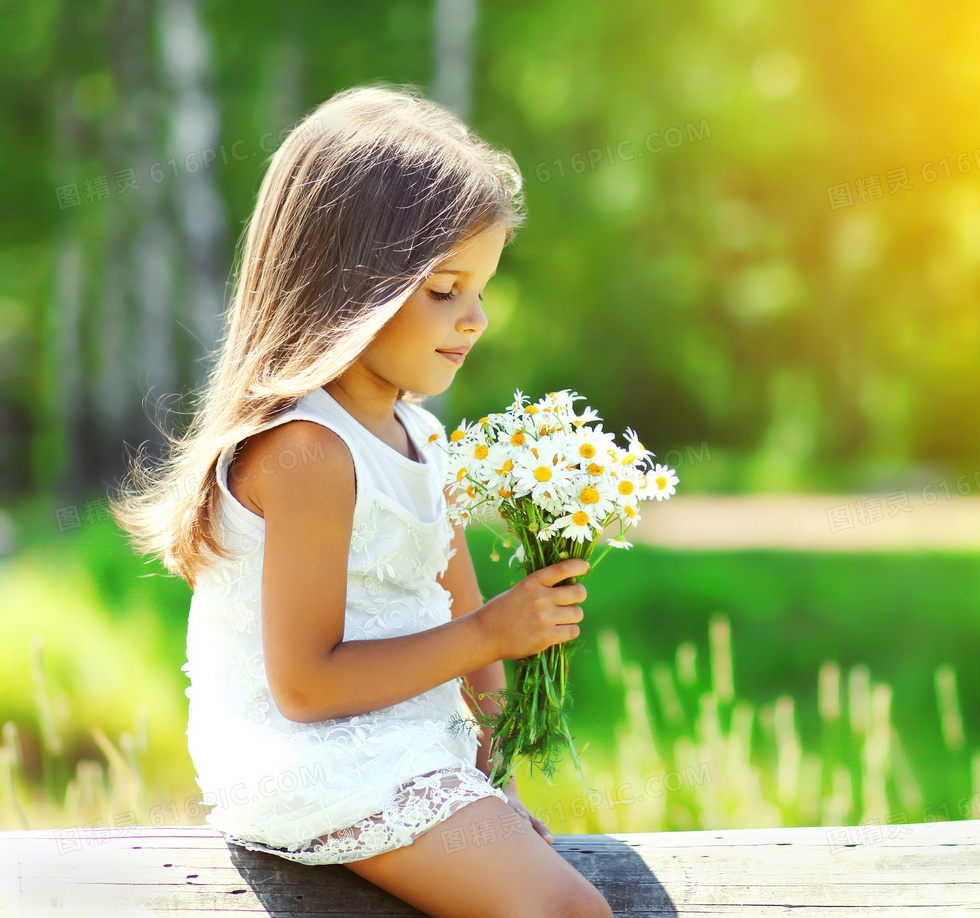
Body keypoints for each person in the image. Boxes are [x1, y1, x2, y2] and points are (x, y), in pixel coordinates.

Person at [110, 83, 613, 918]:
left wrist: (491, 771)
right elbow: (305, 685)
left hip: (408, 743)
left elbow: (459, 603)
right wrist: (491, 635)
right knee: (568, 913)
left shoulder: (420, 438)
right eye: (445, 288)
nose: (476, 318)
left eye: (481, 288)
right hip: (306, 757)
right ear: (351, 287)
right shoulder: (308, 451)